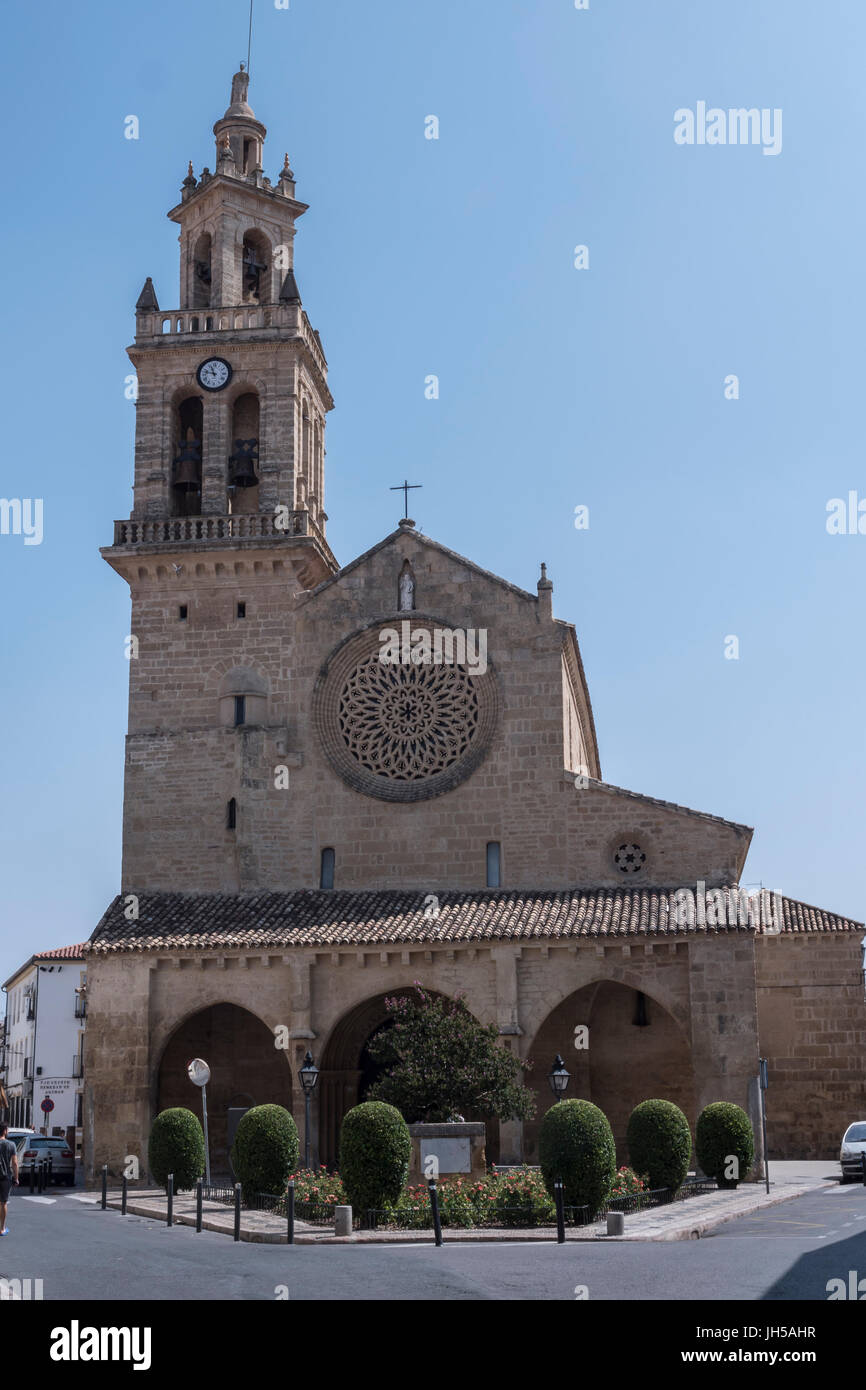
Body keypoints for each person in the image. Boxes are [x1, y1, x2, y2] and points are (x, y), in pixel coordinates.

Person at [0, 1122, 19, 1236]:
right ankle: (2, 1228)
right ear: (5, 1131)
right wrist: (16, 1178)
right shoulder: (11, 1144)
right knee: (3, 1203)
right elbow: (15, 1163)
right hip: (5, 1176)